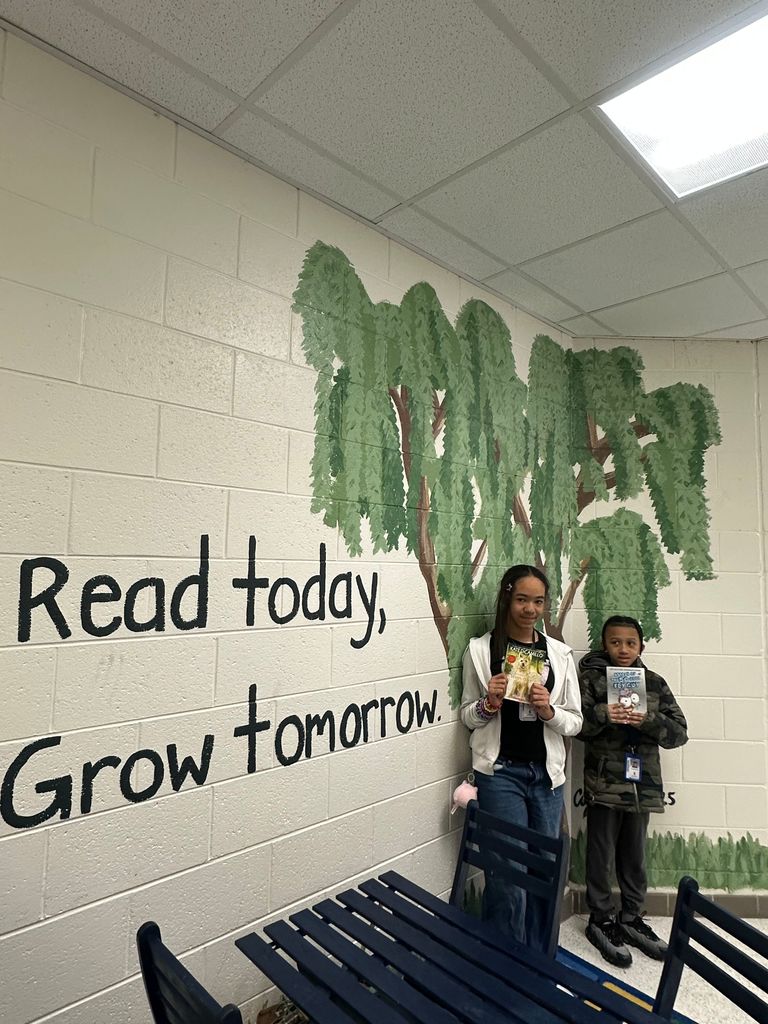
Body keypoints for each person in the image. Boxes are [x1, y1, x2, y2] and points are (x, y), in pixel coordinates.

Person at [460, 564, 583, 951]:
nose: (530, 609)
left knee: (543, 870)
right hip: (501, 774)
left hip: (546, 778)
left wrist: (549, 711)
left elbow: (575, 722)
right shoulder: (482, 651)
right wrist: (488, 703)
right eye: (522, 600)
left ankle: (540, 955)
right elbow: (467, 716)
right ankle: (504, 962)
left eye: (538, 601)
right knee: (506, 871)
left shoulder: (559, 655)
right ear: (507, 599)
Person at [578, 615, 688, 968]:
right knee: (600, 852)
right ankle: (601, 919)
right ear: (604, 645)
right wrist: (603, 713)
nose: (623, 649)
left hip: (642, 786)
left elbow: (680, 733)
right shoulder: (592, 681)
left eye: (630, 643)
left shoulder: (654, 683)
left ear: (641, 646)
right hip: (603, 784)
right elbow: (575, 724)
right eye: (614, 642)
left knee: (635, 854)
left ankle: (631, 916)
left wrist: (649, 720)